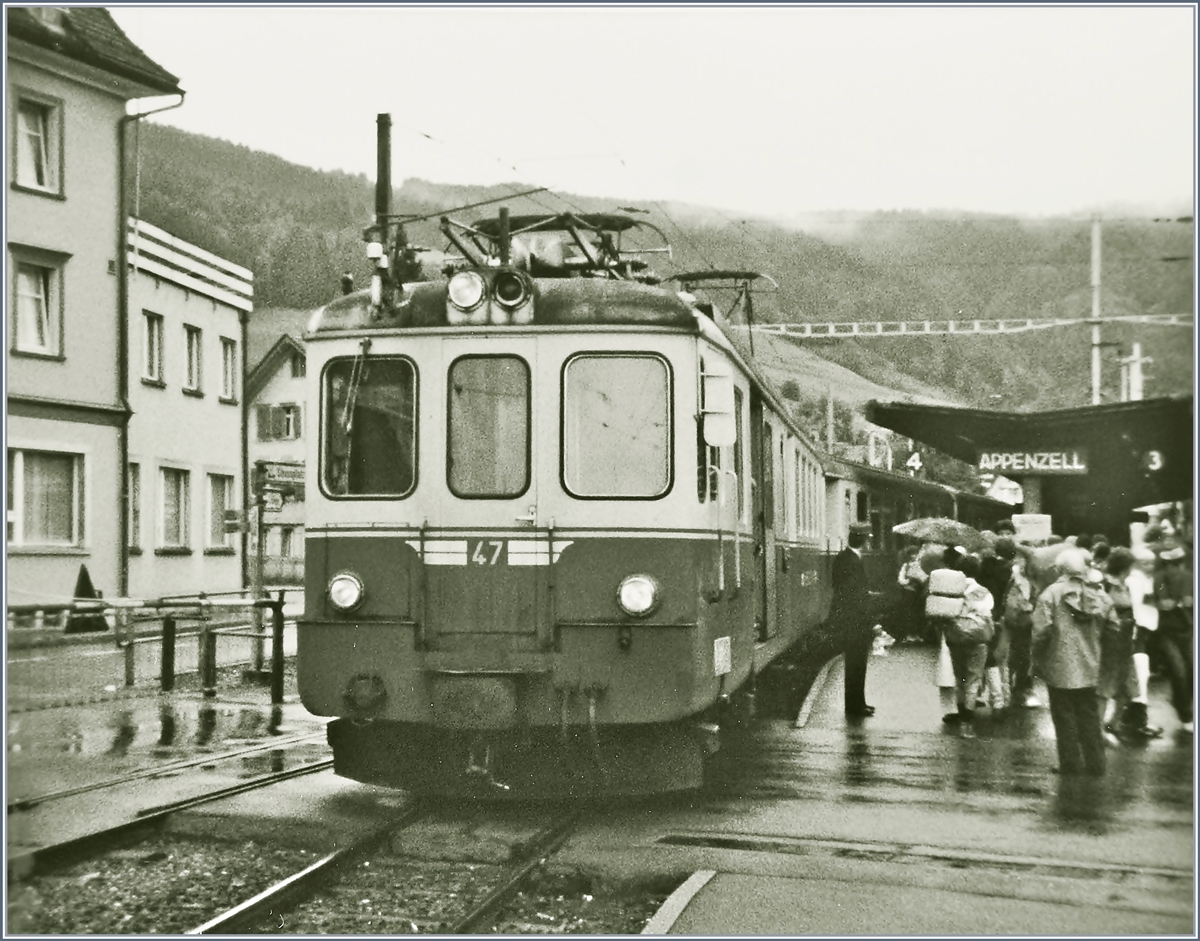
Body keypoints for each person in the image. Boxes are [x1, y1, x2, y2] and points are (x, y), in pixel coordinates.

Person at [1032, 548, 1117, 776]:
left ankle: (1070, 764)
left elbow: (1041, 632)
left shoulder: (1051, 594)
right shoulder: (1100, 594)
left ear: (1061, 569)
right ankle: (1096, 764)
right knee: (1089, 714)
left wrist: (1036, 658)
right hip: (1091, 665)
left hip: (1058, 664)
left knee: (1063, 715)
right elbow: (1114, 628)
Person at [932, 550, 994, 736]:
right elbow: (987, 612)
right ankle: (967, 723)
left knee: (960, 678)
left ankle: (960, 715)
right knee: (974, 679)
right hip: (977, 639)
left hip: (955, 637)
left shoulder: (951, 591)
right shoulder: (983, 591)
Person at [832, 523, 877, 718]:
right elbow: (853, 595)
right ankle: (855, 707)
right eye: (867, 539)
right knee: (856, 664)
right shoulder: (851, 561)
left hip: (850, 618)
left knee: (855, 664)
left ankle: (859, 703)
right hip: (855, 621)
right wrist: (870, 618)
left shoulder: (844, 558)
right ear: (863, 540)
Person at [1097, 547, 1138, 746]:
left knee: (1126, 684)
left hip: (1125, 640)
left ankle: (1113, 723)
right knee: (1106, 683)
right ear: (1124, 566)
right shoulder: (1105, 584)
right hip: (1111, 640)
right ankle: (1097, 730)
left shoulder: (1124, 585)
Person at [1122, 545, 1164, 738]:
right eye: (1144, 562)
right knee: (1140, 672)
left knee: (1140, 673)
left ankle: (1132, 719)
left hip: (1146, 632)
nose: (1149, 566)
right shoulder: (1133, 581)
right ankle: (1137, 720)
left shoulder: (1149, 580)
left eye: (1151, 562)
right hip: (1137, 631)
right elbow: (1135, 608)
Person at [1153, 544, 1194, 733]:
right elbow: (1164, 604)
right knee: (1179, 671)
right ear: (1166, 565)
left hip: (1187, 629)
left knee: (1192, 670)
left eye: (1177, 563)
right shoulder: (1160, 579)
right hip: (1167, 632)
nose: (1175, 567)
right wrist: (1181, 602)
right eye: (1171, 564)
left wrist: (1178, 602)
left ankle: (1181, 701)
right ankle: (1185, 715)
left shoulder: (1188, 577)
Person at [977, 545, 1015, 715]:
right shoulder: (1008, 573)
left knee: (985, 660)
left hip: (982, 620)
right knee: (1002, 661)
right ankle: (1003, 699)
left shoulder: (979, 578)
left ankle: (980, 696)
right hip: (1002, 618)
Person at [896, 544, 929, 643]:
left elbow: (925, 577)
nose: (913, 556)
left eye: (915, 554)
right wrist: (908, 581)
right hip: (908, 592)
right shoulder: (905, 566)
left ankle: (917, 634)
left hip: (919, 592)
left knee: (919, 613)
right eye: (911, 554)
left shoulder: (921, 565)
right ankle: (909, 634)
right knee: (909, 613)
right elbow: (900, 579)